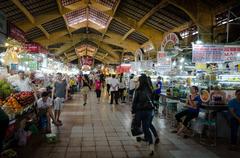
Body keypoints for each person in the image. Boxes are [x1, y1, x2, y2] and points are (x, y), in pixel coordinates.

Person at [132, 74, 157, 156]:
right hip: (149, 111)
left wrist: (133, 111)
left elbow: (135, 102)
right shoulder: (150, 90)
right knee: (146, 128)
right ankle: (151, 147)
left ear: (140, 81)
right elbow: (153, 100)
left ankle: (139, 140)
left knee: (137, 126)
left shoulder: (138, 90)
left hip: (140, 111)